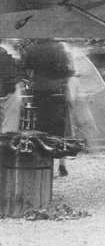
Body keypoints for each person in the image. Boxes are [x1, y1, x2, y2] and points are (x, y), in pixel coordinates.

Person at [24, 41, 75, 177]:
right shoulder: (60, 47)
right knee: (60, 126)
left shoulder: (32, 49)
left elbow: (28, 70)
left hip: (39, 91)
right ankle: (62, 163)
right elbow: (69, 70)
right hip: (56, 91)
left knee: (41, 126)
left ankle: (42, 160)